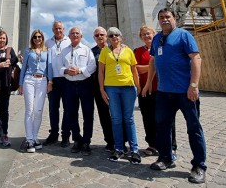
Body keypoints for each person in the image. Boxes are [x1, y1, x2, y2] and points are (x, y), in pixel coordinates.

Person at [142, 8, 207, 184]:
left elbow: (196, 59)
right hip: (164, 92)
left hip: (185, 92)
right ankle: (165, 158)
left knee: (193, 128)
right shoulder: (156, 38)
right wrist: (149, 83)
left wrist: (194, 85)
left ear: (174, 18)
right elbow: (154, 60)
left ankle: (199, 166)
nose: (164, 20)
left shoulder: (184, 35)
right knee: (162, 126)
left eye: (167, 17)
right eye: (161, 17)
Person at [98, 27, 141, 164]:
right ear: (108, 38)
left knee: (129, 119)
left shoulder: (128, 51)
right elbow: (101, 72)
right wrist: (101, 89)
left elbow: (134, 69)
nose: (114, 37)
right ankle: (119, 148)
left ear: (121, 37)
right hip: (111, 88)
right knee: (116, 119)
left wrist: (138, 86)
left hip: (128, 87)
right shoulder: (105, 51)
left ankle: (134, 150)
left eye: (116, 34)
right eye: (111, 35)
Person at [134, 25, 177, 157]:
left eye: (149, 33)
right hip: (145, 90)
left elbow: (167, 64)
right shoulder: (138, 51)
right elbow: (136, 69)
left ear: (154, 34)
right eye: (144, 34)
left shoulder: (161, 48)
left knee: (166, 118)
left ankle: (171, 145)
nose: (147, 36)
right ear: (141, 37)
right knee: (148, 118)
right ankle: (152, 144)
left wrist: (148, 66)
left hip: (162, 89)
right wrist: (154, 65)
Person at [60, 27, 96, 156]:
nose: (75, 35)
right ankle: (77, 139)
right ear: (68, 36)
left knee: (88, 114)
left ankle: (86, 141)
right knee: (71, 113)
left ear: (81, 36)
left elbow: (92, 65)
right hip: (69, 84)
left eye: (77, 33)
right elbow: (58, 66)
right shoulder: (64, 51)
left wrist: (80, 71)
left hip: (85, 84)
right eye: (72, 33)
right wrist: (66, 71)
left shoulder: (87, 49)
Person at [19, 29, 53, 153]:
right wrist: (20, 84)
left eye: (39, 37)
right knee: (30, 109)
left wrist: (50, 82)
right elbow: (23, 68)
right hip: (29, 79)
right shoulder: (28, 51)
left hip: (43, 81)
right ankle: (29, 139)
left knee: (38, 111)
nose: (37, 39)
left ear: (42, 38)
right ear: (32, 39)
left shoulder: (47, 51)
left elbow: (49, 67)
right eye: (35, 37)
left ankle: (35, 136)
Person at [43, 21, 71, 147]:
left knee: (67, 109)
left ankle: (65, 135)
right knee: (53, 109)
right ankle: (53, 133)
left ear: (63, 29)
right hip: (52, 79)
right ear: (52, 29)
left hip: (66, 79)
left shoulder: (70, 41)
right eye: (55, 28)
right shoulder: (48, 42)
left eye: (60, 28)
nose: (58, 30)